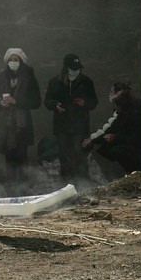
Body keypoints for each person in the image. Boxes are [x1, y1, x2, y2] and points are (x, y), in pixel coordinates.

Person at [0, 48, 43, 194]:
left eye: (16, 60)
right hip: (4, 125)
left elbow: (36, 102)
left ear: (21, 61)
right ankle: (11, 189)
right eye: (10, 60)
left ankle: (24, 188)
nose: (13, 62)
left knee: (21, 156)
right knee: (9, 157)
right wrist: (1, 102)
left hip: (22, 125)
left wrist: (16, 101)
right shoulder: (2, 77)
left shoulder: (29, 77)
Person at [43, 53, 99, 188]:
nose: (76, 70)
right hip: (62, 126)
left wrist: (84, 102)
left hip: (80, 126)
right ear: (66, 67)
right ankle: (68, 188)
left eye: (78, 68)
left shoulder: (86, 81)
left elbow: (94, 102)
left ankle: (85, 187)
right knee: (64, 157)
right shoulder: (55, 82)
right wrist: (55, 104)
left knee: (80, 155)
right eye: (73, 68)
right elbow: (47, 101)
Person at [83, 81, 141, 176]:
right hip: (133, 145)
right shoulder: (124, 112)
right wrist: (92, 139)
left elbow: (138, 139)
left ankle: (127, 175)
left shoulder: (134, 114)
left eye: (111, 92)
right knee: (104, 149)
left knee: (114, 151)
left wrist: (115, 138)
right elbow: (110, 128)